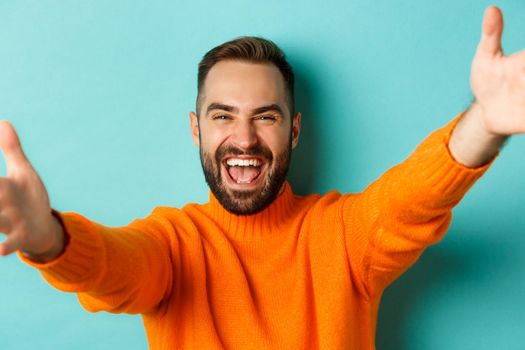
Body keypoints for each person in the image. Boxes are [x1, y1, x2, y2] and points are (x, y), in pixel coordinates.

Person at [0, 5, 522, 349]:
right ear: (196, 130)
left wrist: (486, 122)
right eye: (222, 116)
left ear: (294, 131)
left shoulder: (342, 237)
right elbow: (114, 267)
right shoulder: (173, 246)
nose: (244, 139)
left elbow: (411, 199)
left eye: (265, 116)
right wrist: (49, 238)